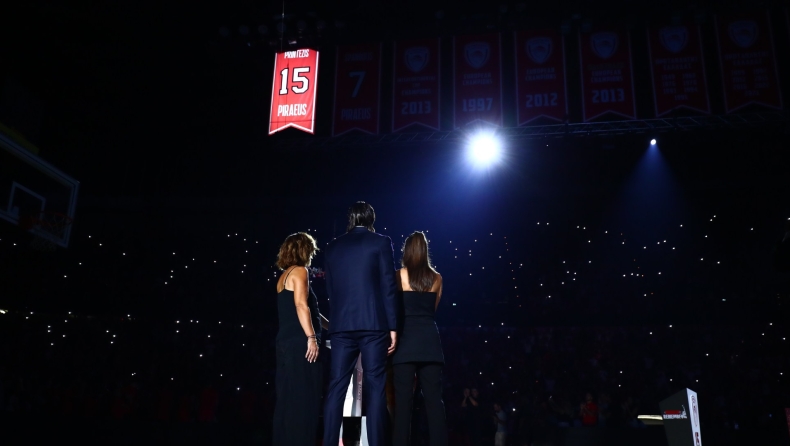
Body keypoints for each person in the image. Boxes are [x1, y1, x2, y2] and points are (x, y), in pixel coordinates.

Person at [323, 202, 398, 446]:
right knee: (376, 387)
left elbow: (331, 291)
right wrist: (393, 326)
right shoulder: (380, 242)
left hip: (341, 325)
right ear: (370, 219)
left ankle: (329, 442)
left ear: (350, 219)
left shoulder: (332, 247)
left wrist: (338, 320)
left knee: (336, 387)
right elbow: (388, 286)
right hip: (373, 324)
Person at [272, 232, 328, 446]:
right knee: (304, 399)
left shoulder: (284, 275)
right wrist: (312, 337)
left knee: (287, 399)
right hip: (300, 343)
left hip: (285, 343)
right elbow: (300, 306)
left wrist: (332, 327)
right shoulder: (301, 271)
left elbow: (311, 311)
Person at [392, 231, 447, 446]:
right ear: (425, 252)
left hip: (406, 343)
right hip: (430, 343)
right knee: (434, 403)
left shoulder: (400, 275)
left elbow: (394, 310)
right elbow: (432, 311)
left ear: (407, 251)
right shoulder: (437, 277)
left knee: (403, 405)